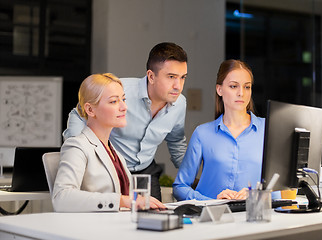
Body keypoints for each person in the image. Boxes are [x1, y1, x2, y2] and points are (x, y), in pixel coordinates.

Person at [62, 42, 188, 201]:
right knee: (112, 218)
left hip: (146, 170)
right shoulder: (120, 91)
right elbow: (79, 113)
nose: (178, 86)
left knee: (155, 219)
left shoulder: (179, 104)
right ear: (151, 76)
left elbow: (176, 141)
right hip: (112, 169)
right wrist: (78, 151)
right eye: (171, 77)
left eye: (183, 77)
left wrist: (190, 177)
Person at [53, 73, 165, 212]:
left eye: (123, 99)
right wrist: (122, 200)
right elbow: (61, 198)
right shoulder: (77, 146)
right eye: (114, 101)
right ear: (90, 110)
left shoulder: (114, 152)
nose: (124, 107)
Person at [173, 59, 265, 201]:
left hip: (252, 217)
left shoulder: (267, 130)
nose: (241, 93)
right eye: (234, 86)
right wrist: (210, 202)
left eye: (247, 87)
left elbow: (285, 189)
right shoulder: (202, 134)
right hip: (212, 218)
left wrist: (257, 195)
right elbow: (180, 187)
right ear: (219, 90)